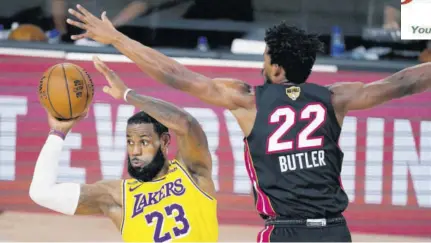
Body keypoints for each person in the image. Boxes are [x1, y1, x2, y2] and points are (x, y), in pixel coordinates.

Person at [66, 5, 431, 242]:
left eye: (264, 57)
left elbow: (175, 75)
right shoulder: (337, 98)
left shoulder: (248, 100)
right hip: (335, 231)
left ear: (275, 68)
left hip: (284, 232)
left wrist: (116, 38)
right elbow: (402, 83)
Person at [29, 56, 218, 242]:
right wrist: (58, 132)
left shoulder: (192, 174)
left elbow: (185, 123)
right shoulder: (118, 195)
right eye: (130, 142)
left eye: (143, 142)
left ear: (165, 141)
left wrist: (127, 94)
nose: (135, 151)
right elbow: (42, 192)